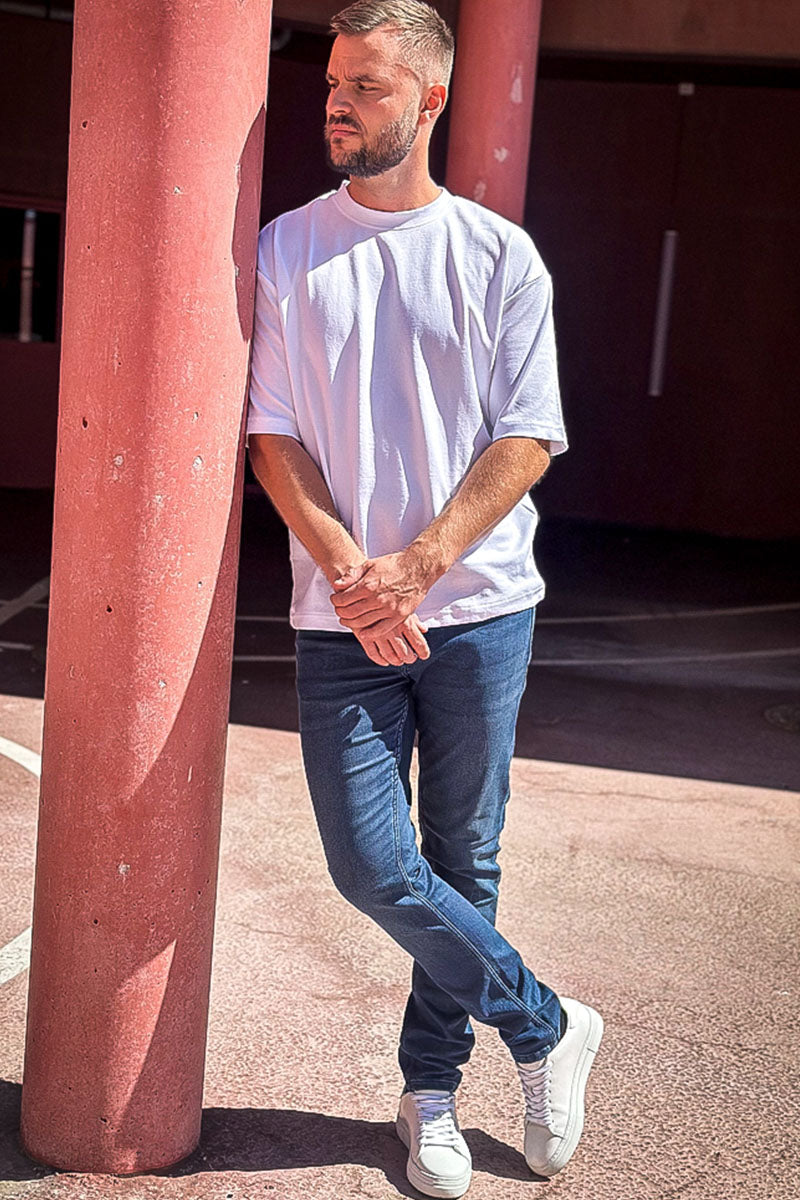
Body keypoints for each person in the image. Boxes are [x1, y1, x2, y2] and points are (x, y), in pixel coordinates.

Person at [246, 2, 603, 1194]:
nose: (336, 102)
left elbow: (526, 438)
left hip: (481, 609)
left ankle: (429, 1092)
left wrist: (418, 567)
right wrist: (357, 574)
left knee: (461, 857)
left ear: (431, 100)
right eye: (331, 83)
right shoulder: (286, 248)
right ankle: (544, 1023)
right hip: (339, 615)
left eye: (367, 85)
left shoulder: (499, 257)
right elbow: (272, 437)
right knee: (371, 865)